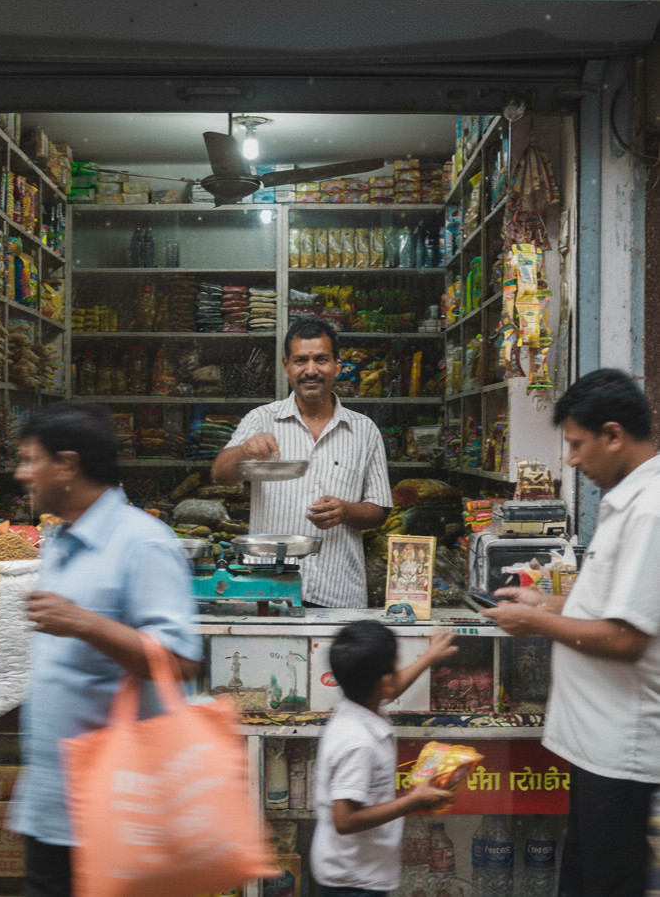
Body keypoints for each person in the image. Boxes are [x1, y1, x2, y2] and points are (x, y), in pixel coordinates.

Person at [5, 402, 202, 897]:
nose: (21, 474)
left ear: (67, 465)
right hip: (56, 805)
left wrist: (83, 623)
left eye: (30, 459)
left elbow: (180, 660)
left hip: (119, 807)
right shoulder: (60, 538)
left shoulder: (143, 543)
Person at [483, 368, 660, 897]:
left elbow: (628, 638)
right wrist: (547, 602)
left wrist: (536, 622)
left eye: (577, 445)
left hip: (620, 749)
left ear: (613, 435)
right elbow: (613, 605)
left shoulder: (650, 511)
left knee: (608, 883)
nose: (571, 460)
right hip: (597, 745)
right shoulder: (627, 501)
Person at [211, 318, 392, 608]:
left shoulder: (363, 430)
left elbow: (379, 511)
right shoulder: (261, 419)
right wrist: (244, 450)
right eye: (300, 360)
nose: (310, 370)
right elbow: (220, 473)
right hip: (269, 593)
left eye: (321, 359)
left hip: (339, 592)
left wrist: (346, 511)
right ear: (286, 366)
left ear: (337, 366)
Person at [310, 621, 458, 896]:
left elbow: (391, 688)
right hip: (352, 882)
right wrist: (413, 801)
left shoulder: (360, 706)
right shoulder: (358, 742)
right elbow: (344, 820)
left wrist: (428, 657)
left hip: (355, 870)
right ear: (383, 680)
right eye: (395, 667)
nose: (397, 674)